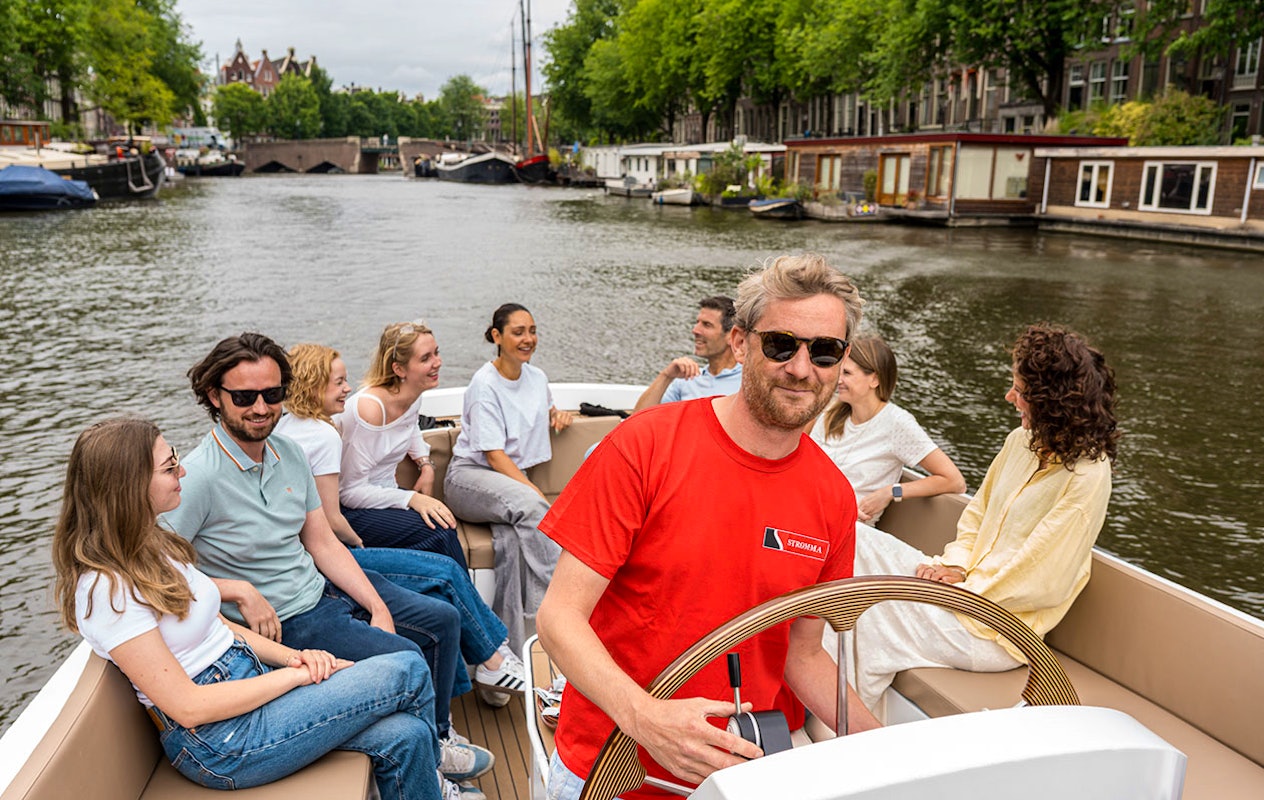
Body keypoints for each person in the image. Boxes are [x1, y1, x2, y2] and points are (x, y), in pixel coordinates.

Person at [535, 254, 881, 800]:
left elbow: (803, 655)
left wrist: (892, 749)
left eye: (824, 351)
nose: (801, 368)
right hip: (610, 770)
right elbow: (558, 617)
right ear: (740, 344)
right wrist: (645, 717)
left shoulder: (833, 497)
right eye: (781, 345)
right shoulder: (644, 445)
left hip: (739, 777)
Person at [51, 418, 453, 800]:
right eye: (170, 468)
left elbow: (220, 627)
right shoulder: (107, 590)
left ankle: (431, 780)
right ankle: (438, 775)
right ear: (129, 486)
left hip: (249, 689)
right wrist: (295, 677)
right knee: (407, 668)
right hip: (221, 743)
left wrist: (295, 657)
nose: (182, 473)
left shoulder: (152, 545)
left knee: (407, 735)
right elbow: (188, 707)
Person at [159, 333, 492, 787]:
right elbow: (158, 572)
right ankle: (433, 769)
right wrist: (236, 590)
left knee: (441, 619)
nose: (261, 407)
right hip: (288, 622)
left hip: (322, 589)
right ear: (215, 396)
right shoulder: (198, 477)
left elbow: (323, 543)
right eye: (245, 397)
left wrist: (377, 606)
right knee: (407, 657)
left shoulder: (289, 453)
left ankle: (437, 739)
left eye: (272, 394)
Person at [845, 323, 1120, 714]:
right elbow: (977, 514)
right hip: (962, 590)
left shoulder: (1088, 477)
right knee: (852, 539)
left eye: (1020, 391)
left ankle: (845, 729)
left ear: (1051, 402)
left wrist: (962, 591)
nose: (1009, 397)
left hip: (997, 630)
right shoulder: (1019, 443)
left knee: (869, 612)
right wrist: (955, 566)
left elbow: (1042, 576)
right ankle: (823, 706)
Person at [277, 342, 525, 708]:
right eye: (339, 382)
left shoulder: (288, 427)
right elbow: (332, 519)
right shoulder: (324, 434)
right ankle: (491, 658)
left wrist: (424, 463)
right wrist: (360, 544)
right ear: (314, 387)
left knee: (439, 557)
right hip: (328, 553)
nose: (348, 388)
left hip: (306, 550)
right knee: (442, 565)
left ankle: (485, 660)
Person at [443, 303, 573, 651]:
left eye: (532, 331)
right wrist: (532, 493)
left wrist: (556, 414)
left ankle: (508, 649)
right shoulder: (485, 384)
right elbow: (494, 455)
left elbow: (537, 408)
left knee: (512, 545)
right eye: (518, 332)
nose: (528, 339)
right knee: (532, 509)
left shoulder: (537, 377)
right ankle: (562, 601)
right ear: (497, 336)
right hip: (470, 479)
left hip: (508, 487)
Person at [337, 320, 464, 564]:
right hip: (351, 511)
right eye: (425, 358)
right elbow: (348, 491)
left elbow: (409, 426)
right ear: (399, 369)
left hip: (386, 494)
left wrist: (425, 465)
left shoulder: (412, 395)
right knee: (441, 531)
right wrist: (411, 499)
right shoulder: (370, 410)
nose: (437, 362)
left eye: (436, 353)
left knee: (442, 527)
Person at [809, 336, 966, 524]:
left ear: (874, 379)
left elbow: (954, 481)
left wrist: (892, 491)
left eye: (847, 373)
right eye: (839, 372)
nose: (838, 380)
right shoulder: (830, 414)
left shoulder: (897, 424)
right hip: (811, 513)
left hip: (851, 527)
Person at [633, 296, 742, 412]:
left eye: (706, 325)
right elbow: (638, 419)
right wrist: (666, 376)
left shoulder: (747, 381)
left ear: (731, 336)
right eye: (697, 323)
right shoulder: (687, 379)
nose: (695, 330)